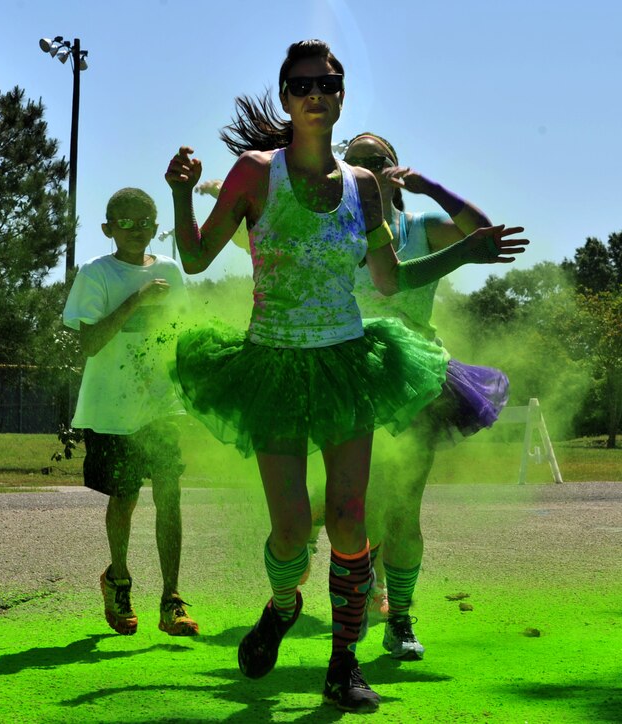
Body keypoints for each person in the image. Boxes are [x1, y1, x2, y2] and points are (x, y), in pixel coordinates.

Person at [164, 39, 526, 713]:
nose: (316, 94)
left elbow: (388, 283)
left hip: (348, 362)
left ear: (341, 95)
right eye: (302, 84)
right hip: (271, 363)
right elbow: (190, 257)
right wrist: (182, 196)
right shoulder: (252, 173)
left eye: (328, 84)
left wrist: (465, 253)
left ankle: (345, 663)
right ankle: (280, 605)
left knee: (351, 520)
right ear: (284, 95)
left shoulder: (362, 188)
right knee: (293, 533)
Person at [307, 132, 510, 661]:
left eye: (380, 161)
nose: (369, 170)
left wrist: (432, 188)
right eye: (356, 163)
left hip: (417, 380)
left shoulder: (420, 227)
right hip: (348, 373)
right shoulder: (338, 230)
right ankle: (341, 592)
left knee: (402, 507)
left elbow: (481, 234)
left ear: (398, 171)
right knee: (348, 505)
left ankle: (399, 617)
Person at [62, 187, 198, 638]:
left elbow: (181, 333)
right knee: (125, 498)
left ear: (157, 226)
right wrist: (136, 301)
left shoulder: (171, 271)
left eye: (146, 221)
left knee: (169, 495)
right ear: (108, 229)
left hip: (161, 404)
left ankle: (172, 599)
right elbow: (90, 342)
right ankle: (118, 580)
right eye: (126, 221)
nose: (137, 229)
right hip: (112, 410)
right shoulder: (96, 275)